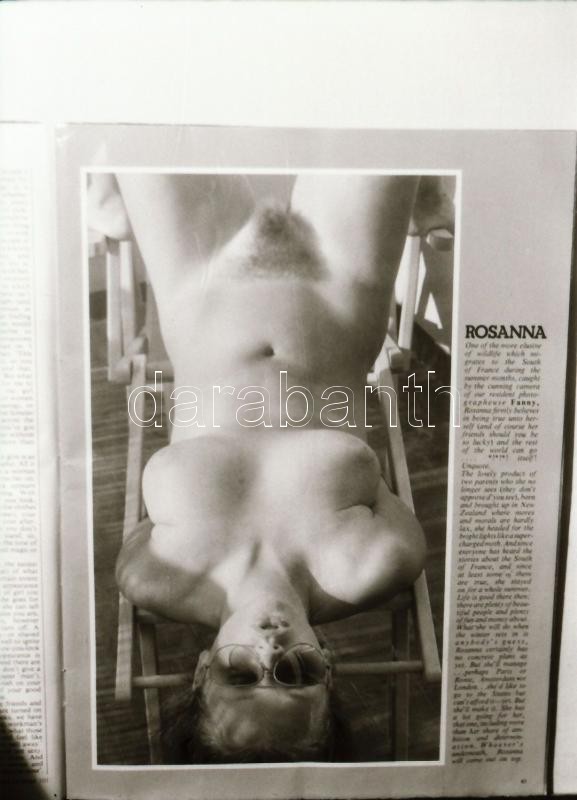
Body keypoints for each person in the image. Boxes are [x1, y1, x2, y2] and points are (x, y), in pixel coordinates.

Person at [89, 172, 450, 762]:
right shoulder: (370, 564)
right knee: (389, 125)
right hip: (336, 283)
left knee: (145, 126)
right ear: (328, 666)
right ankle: (425, 193)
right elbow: (389, 479)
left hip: (198, 284)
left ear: (202, 670)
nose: (270, 649)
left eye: (240, 676)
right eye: (294, 674)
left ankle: (116, 202)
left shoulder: (157, 576)